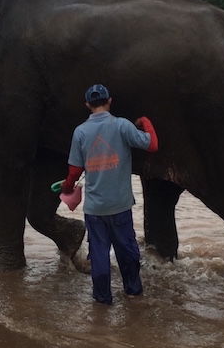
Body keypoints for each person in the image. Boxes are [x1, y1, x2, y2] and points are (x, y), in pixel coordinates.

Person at [61, 84, 158, 304]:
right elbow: (152, 145)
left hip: (95, 209)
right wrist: (145, 122)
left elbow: (74, 171)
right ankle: (133, 292)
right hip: (120, 205)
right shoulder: (122, 125)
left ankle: (103, 300)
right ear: (110, 101)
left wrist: (67, 188)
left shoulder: (80, 132)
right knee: (127, 251)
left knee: (99, 255)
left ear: (87, 104)